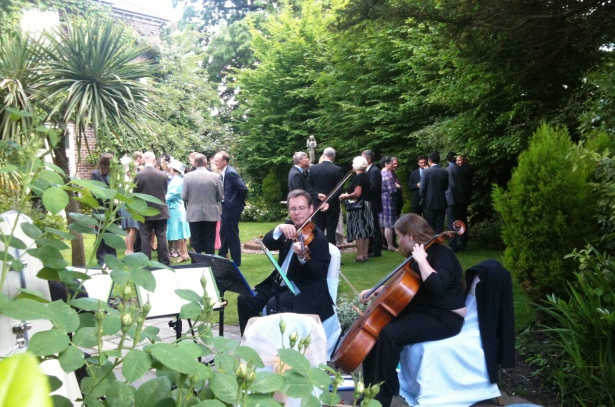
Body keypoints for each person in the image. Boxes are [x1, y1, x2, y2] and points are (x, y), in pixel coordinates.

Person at [360, 213, 466, 407]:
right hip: (425, 311)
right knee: (376, 328)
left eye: (400, 235)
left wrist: (422, 260)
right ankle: (369, 392)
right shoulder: (419, 254)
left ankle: (381, 398)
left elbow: (437, 286)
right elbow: (407, 285)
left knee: (390, 334)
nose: (398, 240)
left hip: (446, 318)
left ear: (411, 235)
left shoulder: (443, 255)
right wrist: (378, 290)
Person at [236, 189, 333, 335]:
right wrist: (279, 228)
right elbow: (268, 242)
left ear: (311, 209)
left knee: (274, 305)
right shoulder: (289, 228)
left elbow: (317, 273)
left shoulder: (318, 239)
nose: (297, 213)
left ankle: (276, 350)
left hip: (304, 290)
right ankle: (250, 344)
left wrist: (302, 257)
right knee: (245, 299)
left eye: (301, 208)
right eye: (293, 209)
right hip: (279, 283)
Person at [134, 151, 171, 266]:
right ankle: (164, 262)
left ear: (144, 160)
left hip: (145, 211)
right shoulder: (163, 175)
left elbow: (135, 194)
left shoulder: (138, 175)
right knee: (162, 236)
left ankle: (145, 263)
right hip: (161, 210)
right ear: (154, 160)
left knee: (145, 237)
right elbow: (165, 191)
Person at [182, 154, 223, 255]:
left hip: (194, 213)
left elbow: (184, 196)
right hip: (211, 212)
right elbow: (220, 196)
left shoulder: (187, 177)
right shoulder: (215, 176)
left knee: (196, 240)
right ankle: (211, 262)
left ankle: (197, 264)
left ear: (195, 164)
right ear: (205, 163)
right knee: (210, 239)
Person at [213, 151, 248, 266]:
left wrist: (237, 202)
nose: (215, 162)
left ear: (224, 162)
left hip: (232, 208)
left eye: (217, 161)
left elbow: (243, 189)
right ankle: (222, 255)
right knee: (224, 232)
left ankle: (236, 262)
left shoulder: (230, 173)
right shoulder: (224, 172)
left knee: (232, 234)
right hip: (226, 207)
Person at [306, 147, 344, 245]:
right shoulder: (338, 169)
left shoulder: (313, 168)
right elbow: (339, 189)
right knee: (331, 232)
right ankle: (331, 256)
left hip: (317, 204)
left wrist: (317, 195)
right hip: (332, 205)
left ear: (323, 155)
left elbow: (308, 186)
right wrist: (328, 201)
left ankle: (319, 255)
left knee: (318, 231)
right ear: (334, 156)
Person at [339, 156, 374, 262]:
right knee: (366, 230)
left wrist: (346, 196)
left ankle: (360, 255)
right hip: (367, 205)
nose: (352, 165)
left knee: (359, 230)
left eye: (353, 163)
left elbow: (357, 193)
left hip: (358, 207)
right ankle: (365, 254)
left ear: (357, 165)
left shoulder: (358, 177)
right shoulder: (365, 176)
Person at [90, 153, 116, 266]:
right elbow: (95, 192)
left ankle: (112, 258)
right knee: (101, 234)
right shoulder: (95, 174)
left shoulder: (112, 174)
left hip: (111, 209)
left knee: (112, 234)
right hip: (100, 209)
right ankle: (102, 260)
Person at [166, 160, 191, 262]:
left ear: (173, 169)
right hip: (178, 208)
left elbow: (170, 196)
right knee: (181, 233)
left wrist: (161, 198)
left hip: (175, 209)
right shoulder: (180, 179)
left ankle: (182, 254)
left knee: (180, 233)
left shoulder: (176, 181)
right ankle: (184, 253)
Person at [419, 152, 448, 233]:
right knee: (439, 225)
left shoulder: (426, 172)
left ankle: (431, 242)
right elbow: (446, 187)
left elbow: (423, 188)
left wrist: (423, 198)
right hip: (441, 202)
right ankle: (438, 241)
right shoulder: (444, 172)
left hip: (429, 202)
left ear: (429, 160)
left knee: (430, 224)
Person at [362, 150, 383, 258]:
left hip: (373, 203)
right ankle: (371, 247)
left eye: (363, 157)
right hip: (370, 203)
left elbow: (374, 187)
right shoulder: (369, 170)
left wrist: (362, 190)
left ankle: (376, 249)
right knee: (371, 225)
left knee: (374, 225)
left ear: (368, 159)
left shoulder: (374, 171)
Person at [379, 156, 401, 251]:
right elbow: (392, 189)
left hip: (381, 198)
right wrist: (398, 187)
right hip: (388, 199)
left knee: (382, 222)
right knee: (389, 223)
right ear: (386, 164)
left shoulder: (380, 173)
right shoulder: (388, 174)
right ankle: (390, 245)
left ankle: (382, 244)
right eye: (390, 163)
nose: (392, 165)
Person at [119, 156, 139, 255]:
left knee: (128, 229)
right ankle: (130, 250)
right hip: (129, 205)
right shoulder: (128, 179)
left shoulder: (122, 178)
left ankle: (128, 249)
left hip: (123, 205)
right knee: (133, 228)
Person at [455, 154, 474, 251]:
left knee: (462, 219)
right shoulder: (462, 169)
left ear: (464, 160)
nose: (458, 162)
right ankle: (461, 241)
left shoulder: (466, 169)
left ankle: (462, 242)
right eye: (457, 161)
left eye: (460, 160)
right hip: (462, 198)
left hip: (463, 199)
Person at [445, 152, 462, 252]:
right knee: (459, 221)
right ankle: (460, 243)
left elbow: (452, 184)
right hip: (460, 199)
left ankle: (453, 245)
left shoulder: (448, 170)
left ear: (447, 160)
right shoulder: (462, 169)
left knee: (451, 221)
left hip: (451, 198)